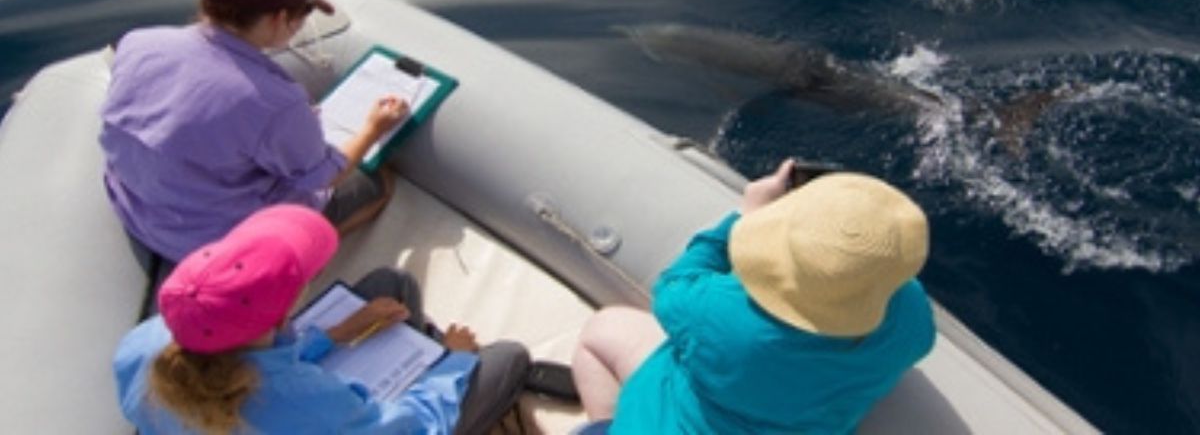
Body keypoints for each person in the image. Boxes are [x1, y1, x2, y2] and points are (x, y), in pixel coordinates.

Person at [571, 160, 935, 434]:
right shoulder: (913, 323)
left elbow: (673, 286)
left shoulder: (718, 311)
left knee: (602, 328)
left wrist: (743, 216)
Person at [101, 0, 408, 271]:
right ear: (279, 18)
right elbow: (326, 178)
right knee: (374, 184)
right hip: (212, 242)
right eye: (302, 15)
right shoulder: (275, 101)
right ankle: (290, 258)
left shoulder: (139, 43)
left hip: (141, 211)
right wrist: (373, 128)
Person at [114, 204, 531, 434]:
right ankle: (437, 360)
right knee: (509, 358)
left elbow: (250, 364)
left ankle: (422, 351)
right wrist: (455, 363)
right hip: (343, 422)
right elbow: (412, 429)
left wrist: (332, 336)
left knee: (391, 283)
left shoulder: (140, 345)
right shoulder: (298, 399)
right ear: (281, 312)